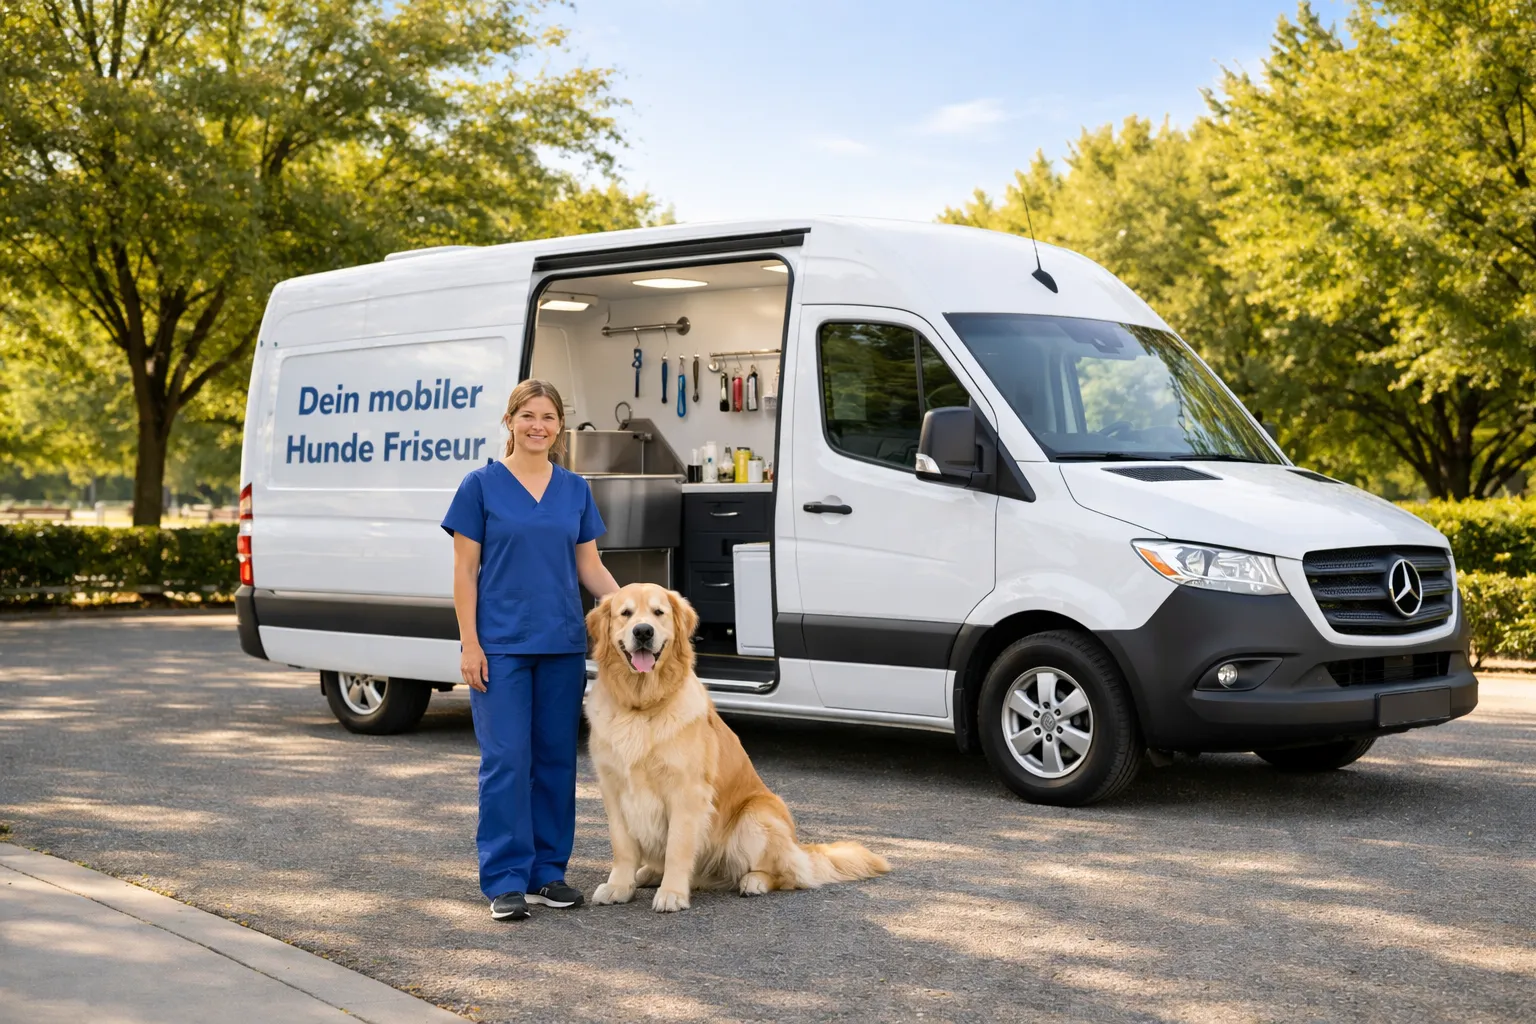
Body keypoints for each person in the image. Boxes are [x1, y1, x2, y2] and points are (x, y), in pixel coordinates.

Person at [442, 379, 619, 921]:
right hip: (500, 647)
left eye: (548, 417)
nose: (538, 425)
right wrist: (470, 643)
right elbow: (465, 572)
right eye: (528, 415)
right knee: (506, 760)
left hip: (562, 645)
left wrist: (638, 610)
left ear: (559, 426)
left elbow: (589, 568)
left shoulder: (574, 489)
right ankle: (504, 878)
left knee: (555, 760)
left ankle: (548, 872)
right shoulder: (480, 486)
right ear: (510, 421)